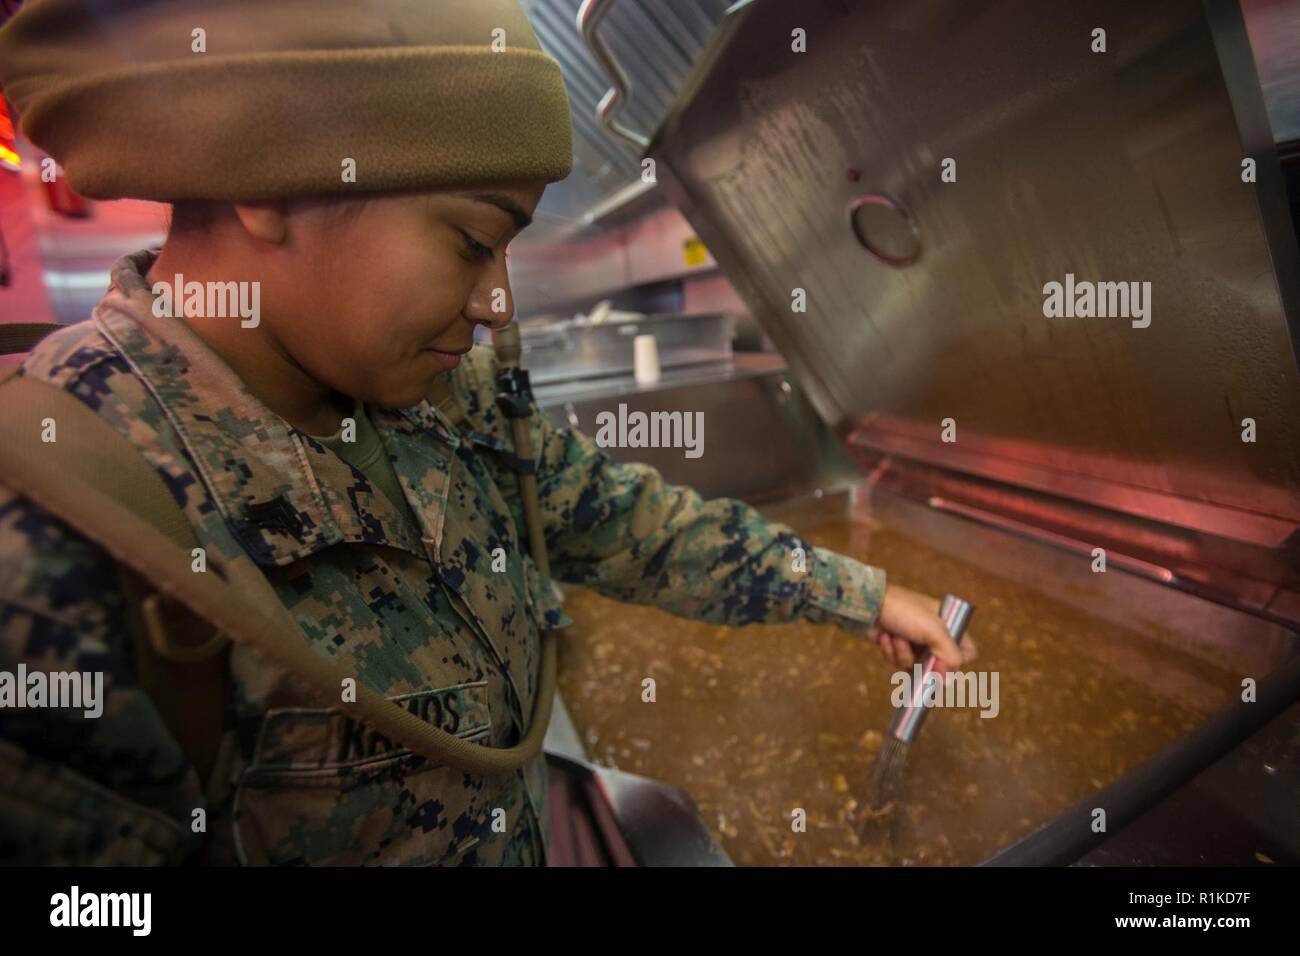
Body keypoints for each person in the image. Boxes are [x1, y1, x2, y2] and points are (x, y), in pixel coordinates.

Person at [0, 0, 973, 865]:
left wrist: (857, 592)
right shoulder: (60, 537)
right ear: (268, 181)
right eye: (473, 241)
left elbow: (617, 518)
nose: (497, 303)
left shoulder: (444, 389)